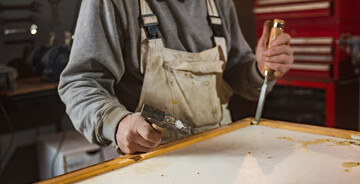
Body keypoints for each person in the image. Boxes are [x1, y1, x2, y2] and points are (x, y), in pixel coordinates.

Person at [58, 0, 293, 154]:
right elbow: (81, 82)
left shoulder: (218, 3)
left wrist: (260, 68)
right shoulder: (113, 3)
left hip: (222, 156)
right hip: (150, 167)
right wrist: (117, 124)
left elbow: (234, 71)